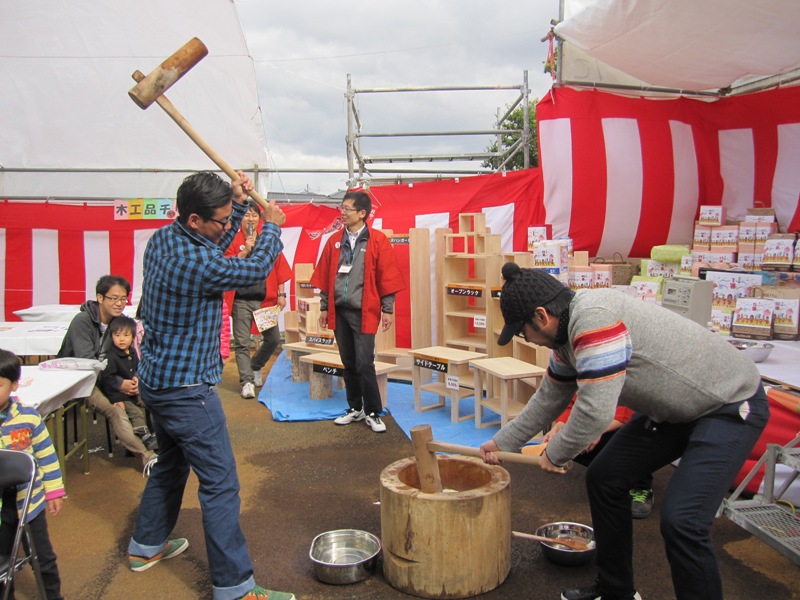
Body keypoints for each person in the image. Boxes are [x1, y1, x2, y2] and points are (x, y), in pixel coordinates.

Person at [479, 262, 768, 600]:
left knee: (683, 521)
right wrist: (501, 444)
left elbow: (595, 413)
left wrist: (555, 454)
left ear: (541, 316)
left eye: (522, 330)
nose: (526, 338)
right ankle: (616, 591)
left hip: (728, 403)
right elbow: (549, 398)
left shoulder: (593, 319)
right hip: (674, 411)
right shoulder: (565, 340)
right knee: (605, 477)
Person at [128, 170, 294, 600]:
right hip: (187, 390)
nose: (226, 228)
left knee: (170, 465)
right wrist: (271, 223)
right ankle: (235, 587)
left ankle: (146, 545)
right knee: (220, 484)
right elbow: (252, 267)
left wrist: (237, 204)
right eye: (220, 221)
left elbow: (213, 245)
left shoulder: (167, 237)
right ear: (195, 219)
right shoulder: (193, 261)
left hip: (158, 382)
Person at [309, 190, 405, 433]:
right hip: (339, 311)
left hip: (364, 310)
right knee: (348, 362)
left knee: (365, 362)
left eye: (347, 209)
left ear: (362, 214)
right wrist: (323, 307)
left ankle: (373, 411)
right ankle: (355, 407)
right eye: (341, 208)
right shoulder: (333, 241)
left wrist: (388, 310)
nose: (342, 212)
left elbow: (388, 277)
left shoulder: (378, 240)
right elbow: (324, 276)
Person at [57, 275, 157, 476]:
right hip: (81, 381)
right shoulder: (83, 322)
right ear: (100, 298)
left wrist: (133, 378)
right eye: (113, 298)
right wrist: (118, 386)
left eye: (123, 299)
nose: (119, 303)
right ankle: (147, 455)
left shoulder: (117, 322)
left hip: (109, 378)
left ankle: (162, 444)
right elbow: (88, 365)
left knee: (154, 396)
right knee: (116, 411)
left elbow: (127, 355)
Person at [0, 348, 66, 600]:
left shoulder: (28, 417)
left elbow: (46, 456)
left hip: (29, 504)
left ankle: (52, 596)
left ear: (15, 385)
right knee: (2, 560)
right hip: (0, 512)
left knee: (43, 558)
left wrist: (54, 491)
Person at [224, 200, 293, 399]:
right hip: (241, 300)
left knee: (272, 339)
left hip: (264, 300)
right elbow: (226, 264)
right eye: (247, 215)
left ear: (260, 219)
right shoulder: (233, 240)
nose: (251, 219)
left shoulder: (266, 240)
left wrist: (281, 293)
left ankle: (255, 366)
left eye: (254, 215)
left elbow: (279, 266)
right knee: (242, 342)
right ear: (240, 218)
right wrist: (245, 250)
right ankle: (246, 381)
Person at [543, 404, 655, 519]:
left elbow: (627, 411)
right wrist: (560, 426)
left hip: (629, 419)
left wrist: (597, 430)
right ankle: (612, 472)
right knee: (568, 442)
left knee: (637, 430)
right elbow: (572, 403)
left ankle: (641, 486)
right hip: (597, 419)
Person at [98, 316, 157, 452]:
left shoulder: (133, 352)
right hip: (122, 397)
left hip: (136, 392)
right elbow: (107, 380)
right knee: (136, 413)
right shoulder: (111, 357)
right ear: (111, 336)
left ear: (133, 337)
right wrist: (117, 399)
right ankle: (144, 437)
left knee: (152, 402)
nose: (122, 339)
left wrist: (137, 379)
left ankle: (157, 433)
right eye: (117, 335)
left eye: (126, 335)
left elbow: (138, 369)